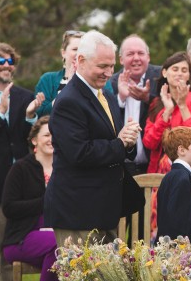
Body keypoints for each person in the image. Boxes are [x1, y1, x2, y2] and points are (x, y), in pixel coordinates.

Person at [44, 30, 142, 247]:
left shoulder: (106, 95)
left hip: (103, 209)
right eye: (102, 66)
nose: (108, 73)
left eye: (111, 66)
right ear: (80, 60)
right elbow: (80, 153)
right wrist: (120, 143)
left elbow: (113, 141)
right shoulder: (68, 101)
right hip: (78, 212)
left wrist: (128, 141)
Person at [0, 42, 44, 281]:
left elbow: (30, 139)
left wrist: (30, 116)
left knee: (8, 251)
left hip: (18, 187)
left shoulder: (25, 96)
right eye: (0, 61)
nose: (6, 65)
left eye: (10, 61)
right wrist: (0, 113)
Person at [2, 116, 57, 281]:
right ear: (34, 140)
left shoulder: (63, 169)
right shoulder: (20, 168)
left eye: (54, 134)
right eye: (46, 135)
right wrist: (44, 202)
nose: (51, 139)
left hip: (54, 235)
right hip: (21, 238)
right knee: (60, 245)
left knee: (66, 252)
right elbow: (9, 207)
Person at [142, 51, 191, 174]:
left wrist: (183, 105)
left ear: (189, 75)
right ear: (164, 73)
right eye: (175, 69)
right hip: (159, 173)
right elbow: (149, 143)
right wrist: (167, 112)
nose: (179, 73)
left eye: (184, 70)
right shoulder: (156, 103)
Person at [108, 34, 161, 176]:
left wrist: (148, 98)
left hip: (154, 166)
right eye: (130, 54)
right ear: (121, 59)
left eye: (141, 53)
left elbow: (171, 109)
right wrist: (121, 98)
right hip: (121, 168)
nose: (136, 58)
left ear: (148, 57)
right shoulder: (110, 82)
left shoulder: (161, 77)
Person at [156, 126, 191, 241]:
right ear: (182, 150)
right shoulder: (182, 178)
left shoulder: (172, 175)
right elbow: (178, 222)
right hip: (181, 251)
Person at [34, 30, 103, 117]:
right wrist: (69, 87)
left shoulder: (99, 79)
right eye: (75, 49)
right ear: (63, 53)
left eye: (84, 50)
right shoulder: (47, 80)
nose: (79, 54)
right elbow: (40, 115)